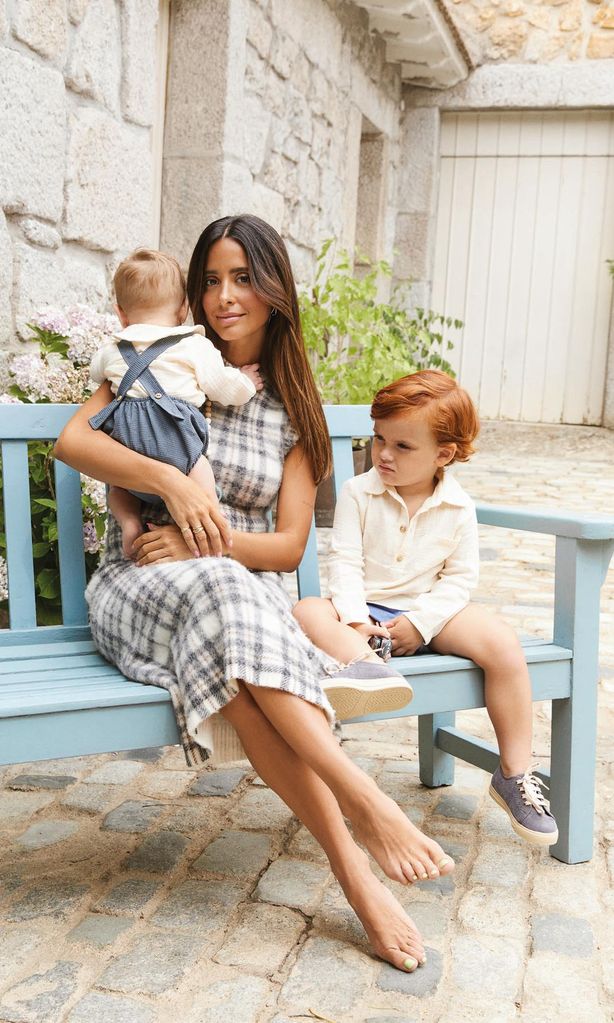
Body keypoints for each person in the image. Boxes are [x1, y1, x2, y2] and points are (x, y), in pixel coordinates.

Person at [55, 214, 456, 975]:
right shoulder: (159, 353)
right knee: (220, 591)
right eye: (210, 280)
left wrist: (210, 541)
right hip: (140, 586)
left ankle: (354, 873)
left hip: (234, 604)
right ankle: (361, 804)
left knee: (225, 604)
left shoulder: (291, 407)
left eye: (242, 278)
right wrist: (170, 481)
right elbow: (75, 442)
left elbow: (290, 547)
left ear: (274, 288)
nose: (223, 296)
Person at [294, 370, 558, 847]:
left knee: (500, 640)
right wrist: (355, 621)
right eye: (378, 440)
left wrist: (420, 622)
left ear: (444, 454)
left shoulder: (458, 508)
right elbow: (346, 563)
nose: (384, 455)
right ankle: (364, 666)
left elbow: (459, 580)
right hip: (362, 614)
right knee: (308, 611)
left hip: (430, 613)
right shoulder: (358, 493)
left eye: (402, 446)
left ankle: (515, 773)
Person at [89, 248, 262, 558]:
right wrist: (247, 382)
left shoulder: (113, 349)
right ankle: (210, 519)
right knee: (200, 466)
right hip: (175, 444)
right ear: (184, 309)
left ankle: (130, 523)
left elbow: (94, 371)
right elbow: (222, 385)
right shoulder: (193, 345)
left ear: (121, 313)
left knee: (117, 489)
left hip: (128, 450)